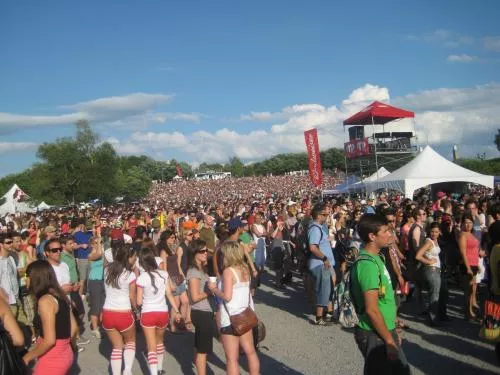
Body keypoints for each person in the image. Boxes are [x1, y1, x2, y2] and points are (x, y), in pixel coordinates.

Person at [350, 215, 410, 375]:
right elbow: (371, 309)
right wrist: (389, 340)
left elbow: (383, 299)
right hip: (373, 333)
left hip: (383, 328)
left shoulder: (378, 257)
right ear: (372, 236)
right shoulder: (367, 264)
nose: (390, 234)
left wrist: (393, 322)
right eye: (386, 231)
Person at [208, 241, 260, 375]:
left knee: (231, 359)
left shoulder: (228, 271)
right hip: (245, 315)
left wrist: (214, 289)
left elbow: (227, 297)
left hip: (231, 318)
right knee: (250, 352)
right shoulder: (244, 268)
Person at [22, 260, 78, 375]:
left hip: (53, 357)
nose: (25, 278)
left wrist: (27, 356)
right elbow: (74, 329)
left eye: (26, 275)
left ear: (36, 277)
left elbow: (49, 340)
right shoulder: (60, 295)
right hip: (66, 352)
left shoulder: (45, 301)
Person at [136, 247, 181, 375]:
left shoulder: (142, 278)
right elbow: (169, 293)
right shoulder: (163, 274)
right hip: (162, 313)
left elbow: (139, 302)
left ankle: (154, 372)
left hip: (148, 313)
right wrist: (176, 310)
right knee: (160, 342)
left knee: (151, 346)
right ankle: (160, 368)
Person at [102, 243, 137, 375]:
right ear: (128, 258)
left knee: (117, 347)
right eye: (134, 257)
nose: (135, 259)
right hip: (124, 313)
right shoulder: (130, 275)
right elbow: (132, 297)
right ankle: (127, 370)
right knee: (130, 343)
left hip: (107, 312)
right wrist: (137, 311)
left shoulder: (106, 271)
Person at [187, 239, 216, 375]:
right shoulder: (193, 272)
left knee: (199, 346)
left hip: (204, 311)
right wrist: (211, 291)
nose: (206, 253)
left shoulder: (201, 269)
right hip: (201, 312)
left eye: (206, 250)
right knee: (203, 351)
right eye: (203, 251)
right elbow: (194, 297)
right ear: (195, 253)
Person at [307, 203, 335, 325]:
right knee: (323, 290)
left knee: (328, 289)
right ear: (319, 215)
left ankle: (327, 313)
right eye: (325, 215)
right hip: (320, 263)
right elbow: (313, 247)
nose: (326, 217)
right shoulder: (315, 228)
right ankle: (319, 318)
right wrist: (324, 258)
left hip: (324, 263)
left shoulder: (318, 227)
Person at [415, 222, 442, 326]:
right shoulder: (429, 242)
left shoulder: (434, 241)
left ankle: (434, 318)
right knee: (434, 295)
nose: (434, 233)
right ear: (429, 231)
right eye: (432, 231)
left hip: (434, 270)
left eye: (436, 232)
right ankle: (433, 320)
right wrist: (429, 261)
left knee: (434, 294)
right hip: (431, 270)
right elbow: (418, 256)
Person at [458, 214, 483, 320]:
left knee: (472, 290)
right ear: (462, 223)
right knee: (468, 291)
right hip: (467, 265)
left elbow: (475, 251)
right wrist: (468, 267)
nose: (468, 225)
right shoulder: (463, 234)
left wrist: (477, 265)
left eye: (470, 222)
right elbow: (463, 252)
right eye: (466, 222)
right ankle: (468, 313)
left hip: (474, 264)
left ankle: (470, 311)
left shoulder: (471, 234)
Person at [87, 235, 105, 338]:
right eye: (95, 243)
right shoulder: (90, 255)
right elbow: (97, 255)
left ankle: (101, 326)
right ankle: (95, 328)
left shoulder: (102, 252)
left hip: (102, 280)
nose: (99, 244)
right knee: (95, 306)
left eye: (99, 243)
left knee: (102, 305)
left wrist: (101, 243)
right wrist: (99, 242)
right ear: (91, 245)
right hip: (94, 281)